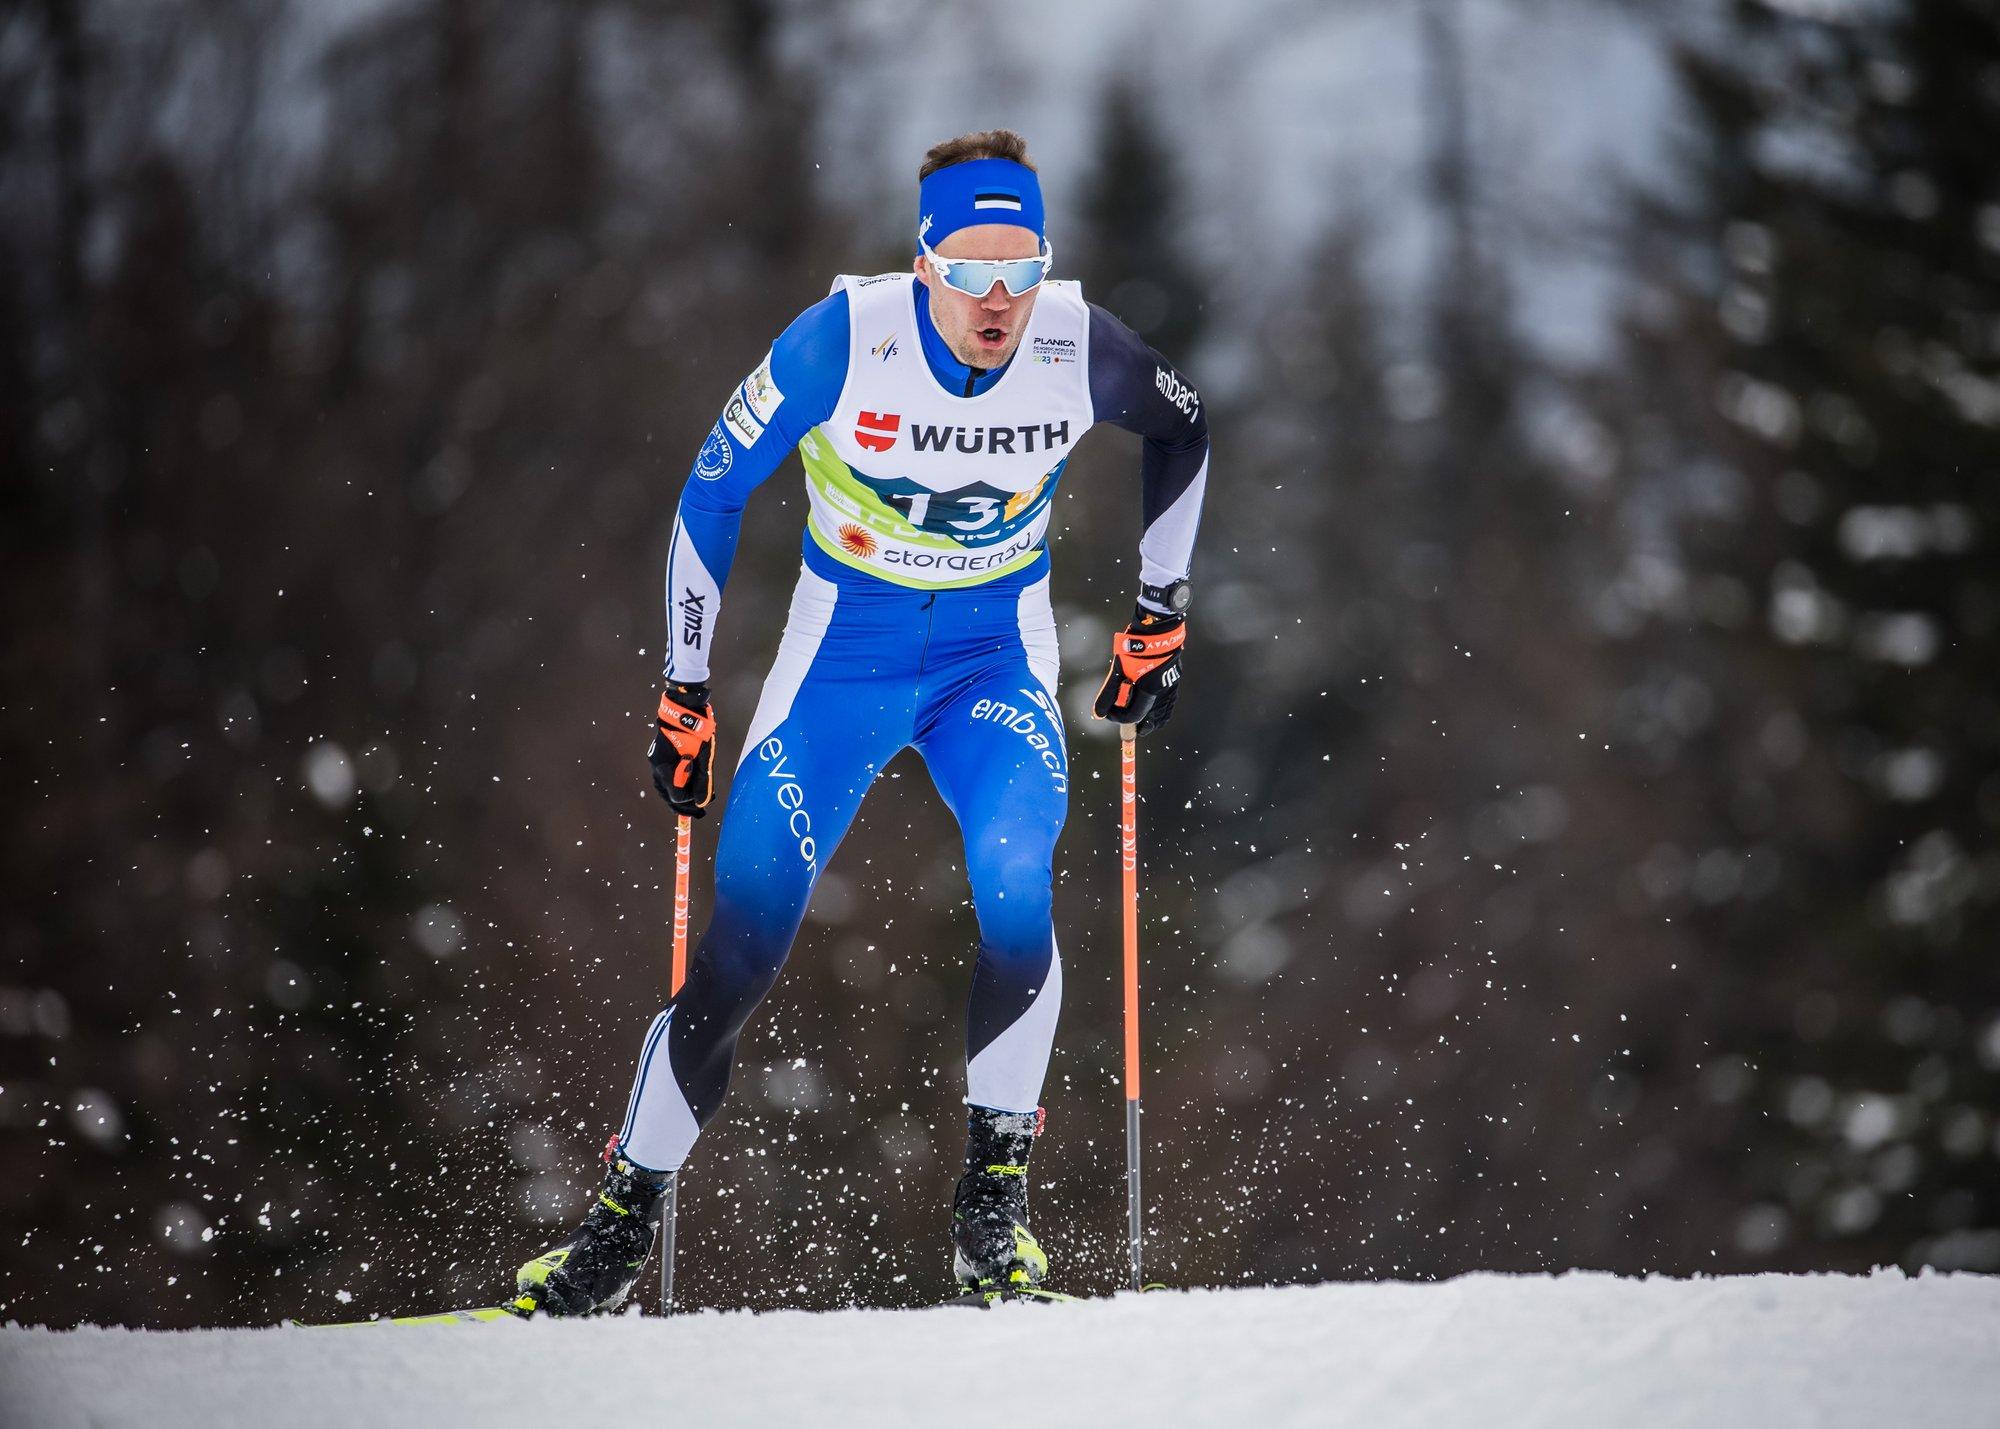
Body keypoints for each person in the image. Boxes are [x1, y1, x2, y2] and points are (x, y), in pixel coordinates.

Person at [512, 129, 1209, 1314]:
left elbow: (1184, 428)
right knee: (740, 949)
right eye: (970, 270)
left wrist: (1162, 611)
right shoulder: (842, 339)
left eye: (1020, 268)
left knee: (1013, 879)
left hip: (991, 662)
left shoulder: (1077, 345)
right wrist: (684, 688)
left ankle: (993, 1211)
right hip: (842, 664)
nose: (997, 301)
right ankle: (618, 1230)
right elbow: (711, 488)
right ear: (923, 262)